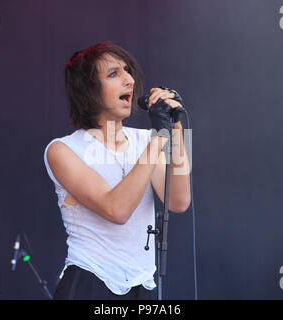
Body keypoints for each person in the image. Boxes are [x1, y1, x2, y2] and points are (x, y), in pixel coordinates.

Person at [43, 41, 191, 300]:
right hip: (91, 282)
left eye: (127, 71)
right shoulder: (62, 150)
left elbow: (179, 201)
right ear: (88, 91)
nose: (129, 81)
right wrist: (158, 138)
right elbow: (117, 210)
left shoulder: (146, 140)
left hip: (143, 285)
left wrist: (175, 127)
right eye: (114, 74)